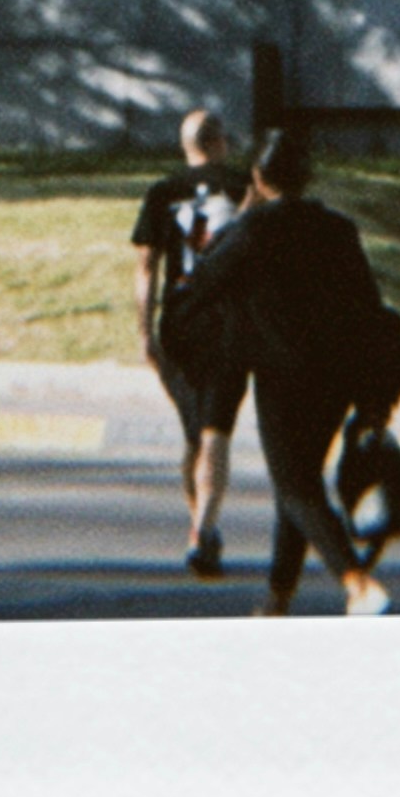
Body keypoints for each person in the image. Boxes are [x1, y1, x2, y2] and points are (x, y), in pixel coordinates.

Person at [157, 125, 400, 617]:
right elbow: (368, 307)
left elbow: (196, 290)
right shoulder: (339, 230)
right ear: (307, 177)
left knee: (295, 487)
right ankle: (277, 598)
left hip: (283, 377)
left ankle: (356, 583)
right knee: (300, 479)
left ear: (257, 176)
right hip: (338, 379)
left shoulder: (249, 234)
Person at [132, 108, 247, 575]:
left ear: (186, 146)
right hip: (228, 323)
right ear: (219, 142)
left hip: (178, 323)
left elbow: (145, 267)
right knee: (215, 429)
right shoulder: (243, 190)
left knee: (194, 430)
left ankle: (198, 526)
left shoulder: (161, 193)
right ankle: (205, 525)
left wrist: (144, 330)